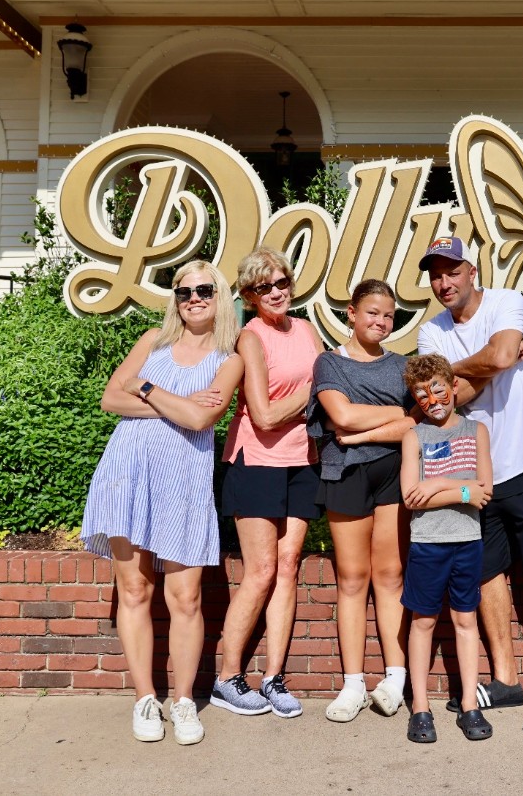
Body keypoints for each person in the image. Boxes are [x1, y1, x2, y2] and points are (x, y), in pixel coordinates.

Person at [415, 235, 523, 735]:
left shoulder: (507, 300)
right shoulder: (430, 331)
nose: (444, 282)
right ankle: (506, 680)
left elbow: (498, 358)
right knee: (487, 572)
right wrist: (485, 363)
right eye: (436, 274)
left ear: (471, 270)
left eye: (452, 271)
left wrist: (471, 366)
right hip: (476, 472)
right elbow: (444, 394)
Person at [81, 259, 244, 746]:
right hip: (128, 472)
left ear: (219, 298)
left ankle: (184, 700)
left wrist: (148, 388)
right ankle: (145, 700)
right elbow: (112, 398)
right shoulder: (152, 340)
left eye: (204, 290)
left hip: (185, 481)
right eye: (183, 291)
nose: (193, 298)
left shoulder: (230, 356)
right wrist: (180, 401)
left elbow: (200, 421)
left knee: (186, 598)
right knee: (134, 592)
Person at [212, 247, 323, 720]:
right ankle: (226, 678)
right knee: (259, 571)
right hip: (256, 459)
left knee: (288, 564)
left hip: (304, 459)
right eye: (263, 287)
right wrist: (315, 389)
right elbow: (263, 414)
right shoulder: (250, 338)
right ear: (248, 295)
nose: (276, 292)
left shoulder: (308, 330)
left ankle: (273, 677)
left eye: (281, 282)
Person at [306, 279, 415, 723]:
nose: (381, 321)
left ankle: (396, 679)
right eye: (372, 312)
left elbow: (416, 419)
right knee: (352, 579)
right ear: (351, 313)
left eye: (388, 315)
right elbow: (340, 415)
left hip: (393, 472)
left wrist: (366, 432)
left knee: (390, 576)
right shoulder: (328, 363)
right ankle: (352, 684)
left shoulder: (404, 367)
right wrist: (394, 417)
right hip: (345, 474)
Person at [399, 353, 494, 744]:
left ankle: (470, 705)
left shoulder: (476, 430)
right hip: (427, 544)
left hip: (467, 542)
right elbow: (410, 498)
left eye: (438, 389)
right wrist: (463, 490)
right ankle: (421, 708)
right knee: (422, 623)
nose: (432, 400)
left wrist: (438, 485)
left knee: (465, 621)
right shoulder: (413, 436)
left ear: (453, 386)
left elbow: (485, 492)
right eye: (422, 395)